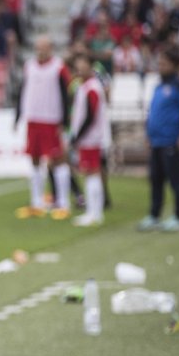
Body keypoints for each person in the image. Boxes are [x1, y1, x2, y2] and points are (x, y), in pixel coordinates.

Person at [14, 37, 72, 220]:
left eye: (44, 48)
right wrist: (18, 115)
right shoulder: (29, 66)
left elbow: (66, 94)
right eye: (38, 47)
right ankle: (36, 202)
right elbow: (23, 90)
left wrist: (65, 120)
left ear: (51, 48)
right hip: (33, 118)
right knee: (34, 159)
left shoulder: (58, 67)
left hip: (52, 119)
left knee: (57, 160)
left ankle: (63, 202)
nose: (41, 51)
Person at [138, 46, 179, 233]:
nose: (160, 66)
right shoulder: (159, 86)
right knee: (155, 180)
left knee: (175, 180)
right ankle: (154, 215)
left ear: (175, 65)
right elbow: (153, 112)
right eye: (159, 63)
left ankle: (177, 216)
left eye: (164, 63)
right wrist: (148, 134)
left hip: (172, 141)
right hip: (156, 141)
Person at [69, 54, 110, 227]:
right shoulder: (85, 86)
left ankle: (94, 213)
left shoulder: (92, 88)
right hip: (90, 137)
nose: (79, 69)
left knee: (91, 173)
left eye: (83, 65)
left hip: (91, 138)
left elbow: (91, 115)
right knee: (90, 174)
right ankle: (93, 212)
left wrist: (77, 136)